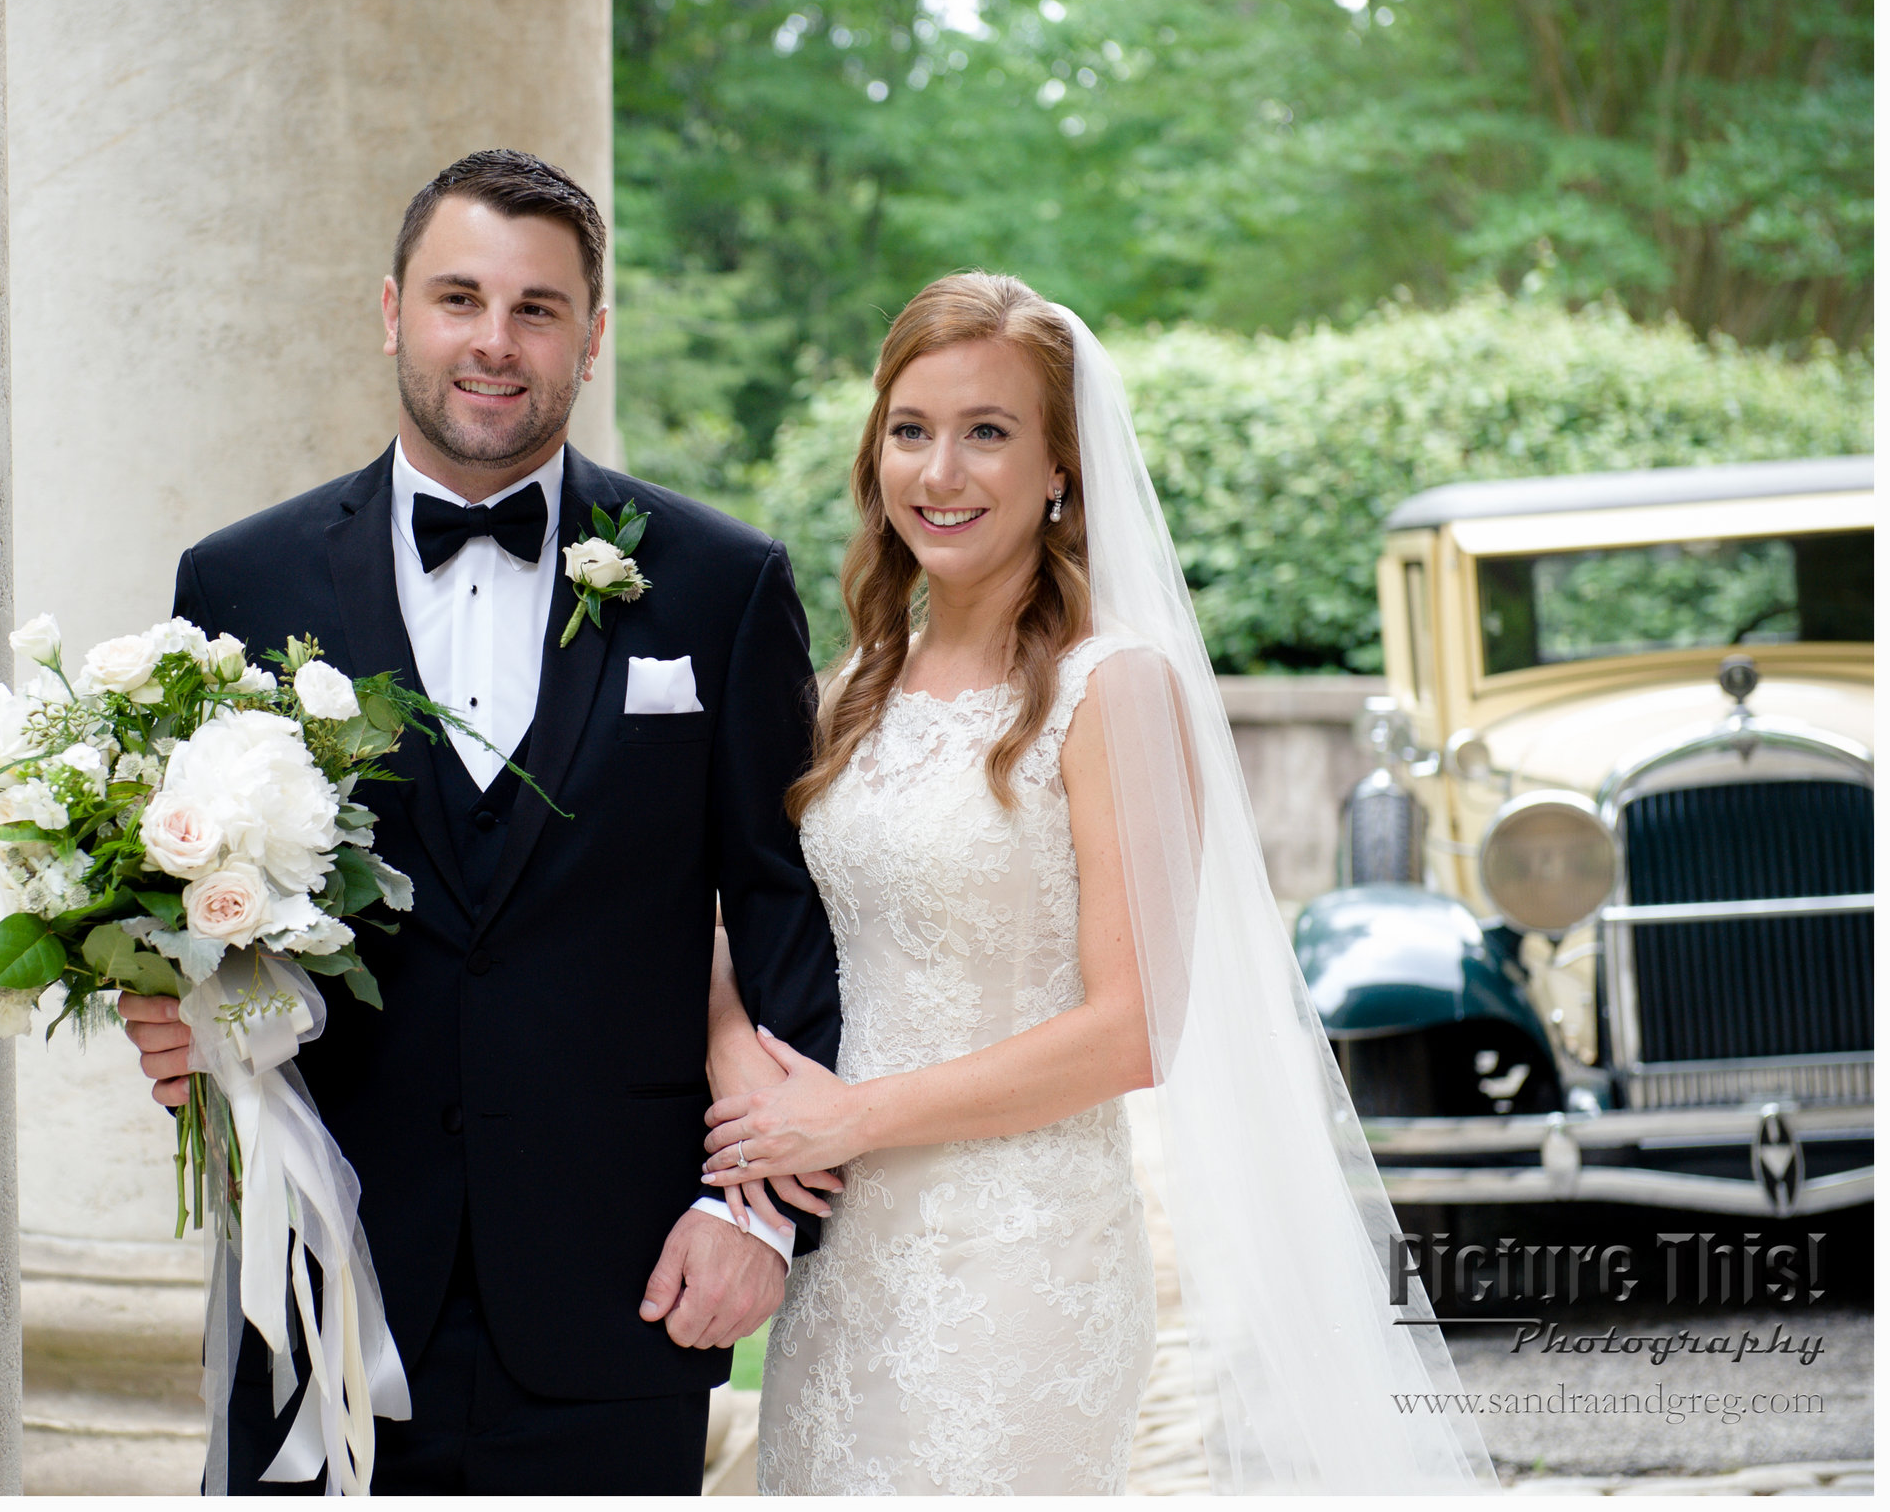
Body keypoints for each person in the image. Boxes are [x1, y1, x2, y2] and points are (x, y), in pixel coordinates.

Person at [117, 149, 843, 1495]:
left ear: (594, 334)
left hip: (621, 1281)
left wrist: (752, 1208)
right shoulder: (237, 578)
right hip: (322, 1274)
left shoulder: (722, 586)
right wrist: (159, 999)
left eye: (537, 307)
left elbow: (793, 912)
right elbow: (175, 888)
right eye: (460, 298)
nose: (494, 344)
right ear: (392, 309)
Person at [698, 273, 1499, 1493]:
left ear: (1062, 467)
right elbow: (743, 911)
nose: (940, 472)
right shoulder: (857, 681)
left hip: (1016, 1258)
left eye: (987, 432)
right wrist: (734, 1054)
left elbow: (1134, 1029)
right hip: (843, 1253)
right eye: (910, 431)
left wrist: (858, 1115)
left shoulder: (1110, 688)